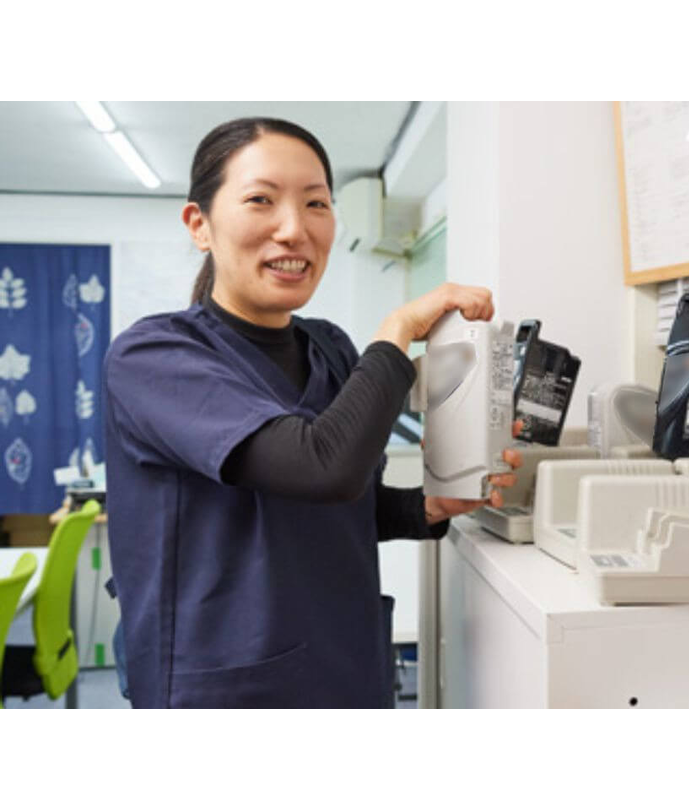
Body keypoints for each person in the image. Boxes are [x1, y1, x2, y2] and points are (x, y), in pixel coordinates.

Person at [103, 117, 520, 708]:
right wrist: (399, 328)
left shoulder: (329, 348)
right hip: (226, 687)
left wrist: (427, 506)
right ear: (200, 224)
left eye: (316, 204)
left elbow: (340, 505)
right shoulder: (154, 357)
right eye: (261, 200)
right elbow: (322, 467)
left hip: (345, 668)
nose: (294, 229)